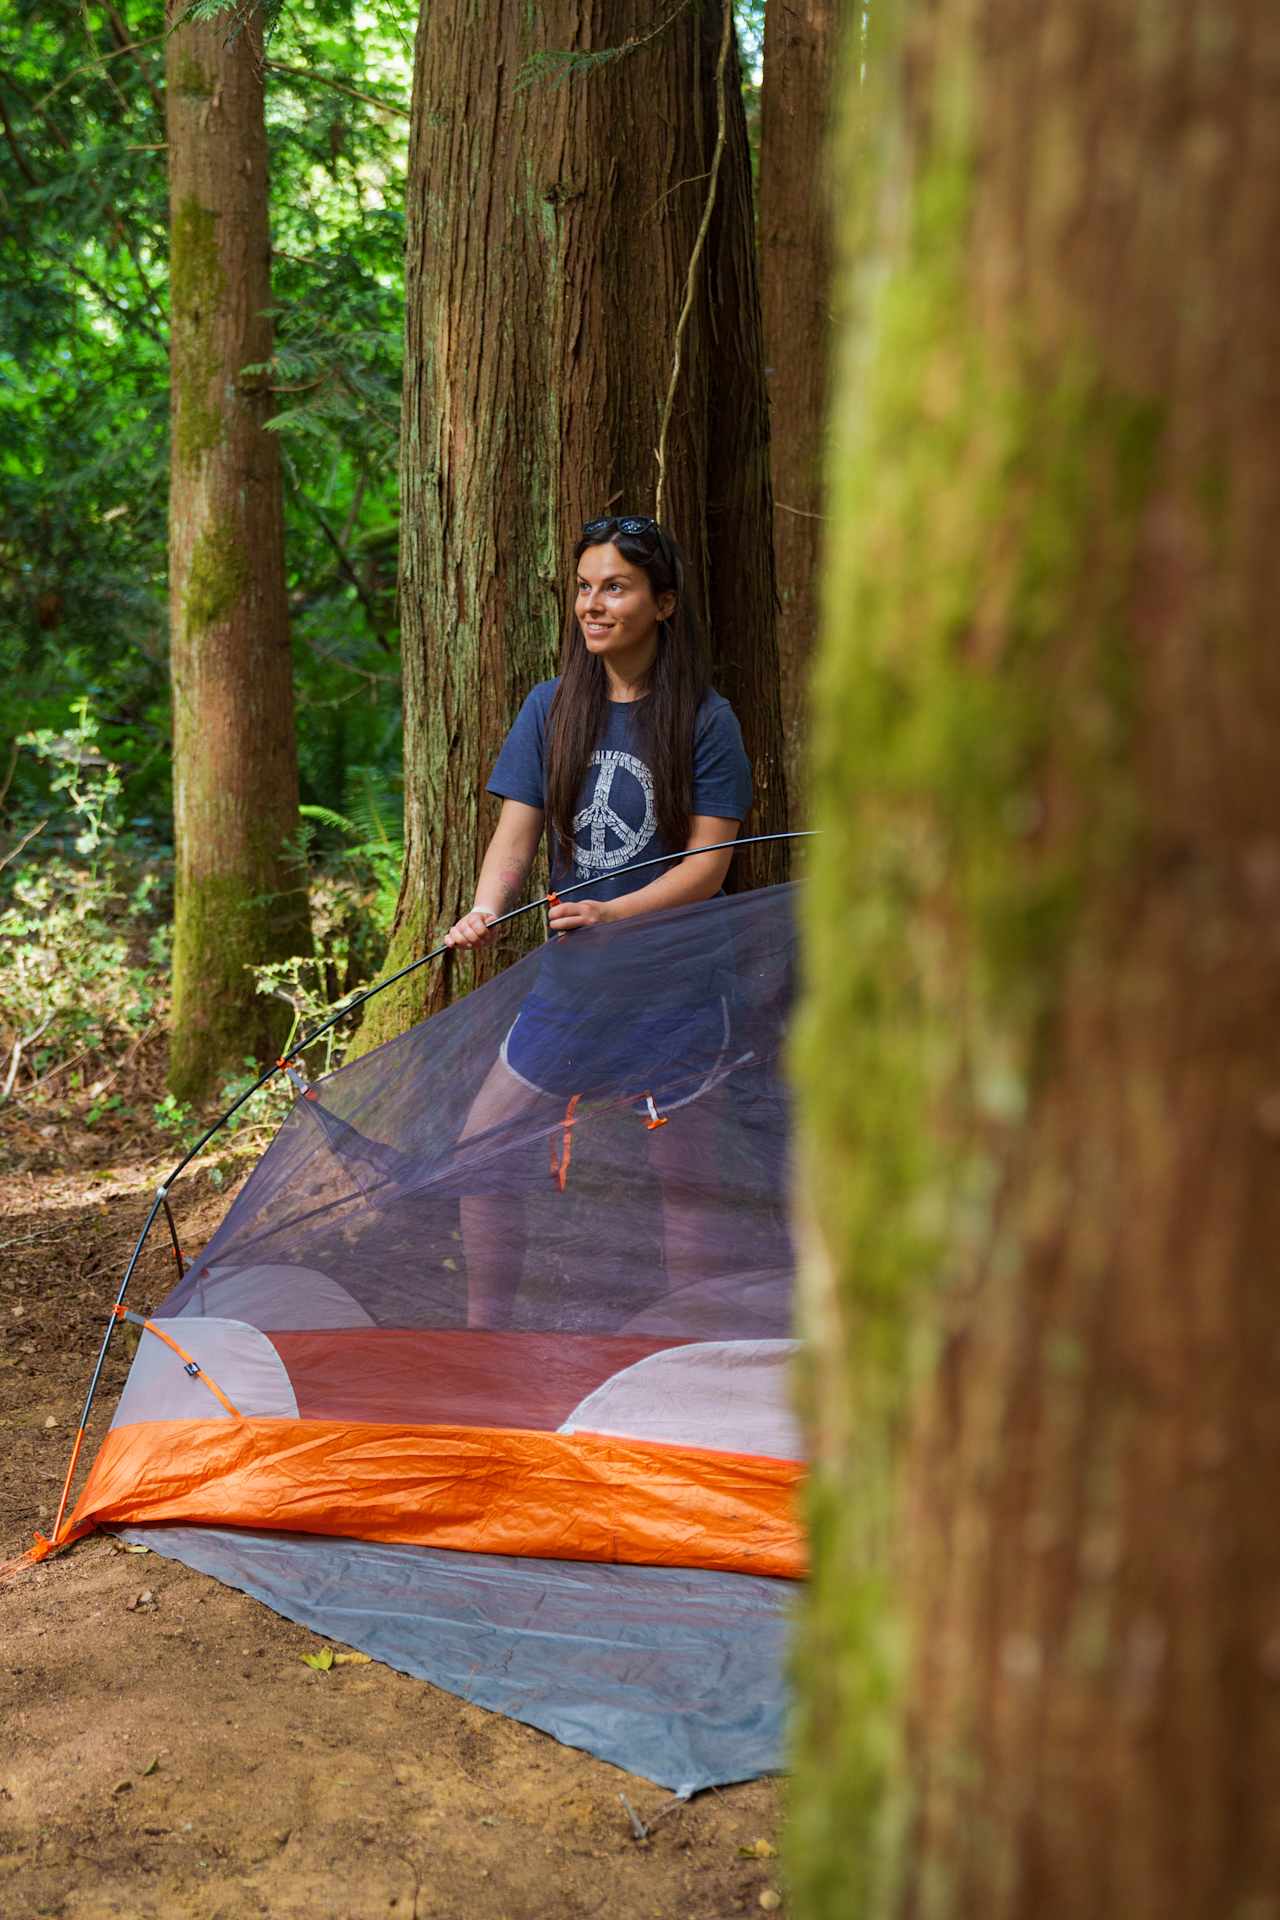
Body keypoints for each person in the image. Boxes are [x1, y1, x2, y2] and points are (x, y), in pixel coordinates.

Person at [444, 513, 753, 1326]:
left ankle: (692, 1352)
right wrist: (484, 909)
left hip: (680, 987)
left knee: (686, 1182)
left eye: (615, 587)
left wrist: (612, 909)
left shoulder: (705, 720)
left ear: (664, 604)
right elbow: (515, 835)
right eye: (584, 588)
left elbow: (706, 867)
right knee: (484, 1147)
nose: (593, 604)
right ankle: (485, 1331)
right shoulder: (551, 708)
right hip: (576, 986)